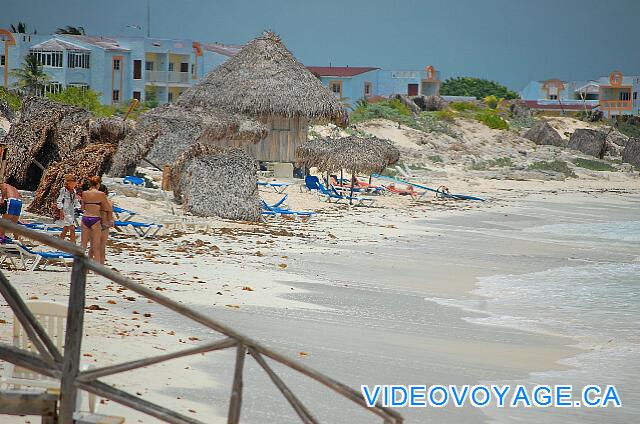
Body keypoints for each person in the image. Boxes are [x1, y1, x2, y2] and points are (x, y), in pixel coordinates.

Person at [80, 176, 111, 264]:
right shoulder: (101, 195)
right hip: (96, 219)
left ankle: (80, 267)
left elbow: (82, 208)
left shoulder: (84, 193)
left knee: (83, 245)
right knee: (96, 246)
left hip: (85, 218)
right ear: (98, 184)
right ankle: (97, 269)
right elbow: (109, 208)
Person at [56, 174, 81, 243]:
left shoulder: (74, 191)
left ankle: (58, 244)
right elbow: (59, 201)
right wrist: (61, 211)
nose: (75, 183)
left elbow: (75, 201)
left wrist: (80, 207)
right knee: (72, 228)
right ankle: (73, 245)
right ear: (69, 182)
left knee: (65, 229)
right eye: (74, 181)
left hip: (71, 211)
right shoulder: (64, 190)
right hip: (65, 211)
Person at [95, 184, 113, 265]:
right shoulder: (108, 202)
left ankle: (88, 267)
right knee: (102, 247)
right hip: (105, 225)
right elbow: (110, 216)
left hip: (95, 224)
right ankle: (101, 266)